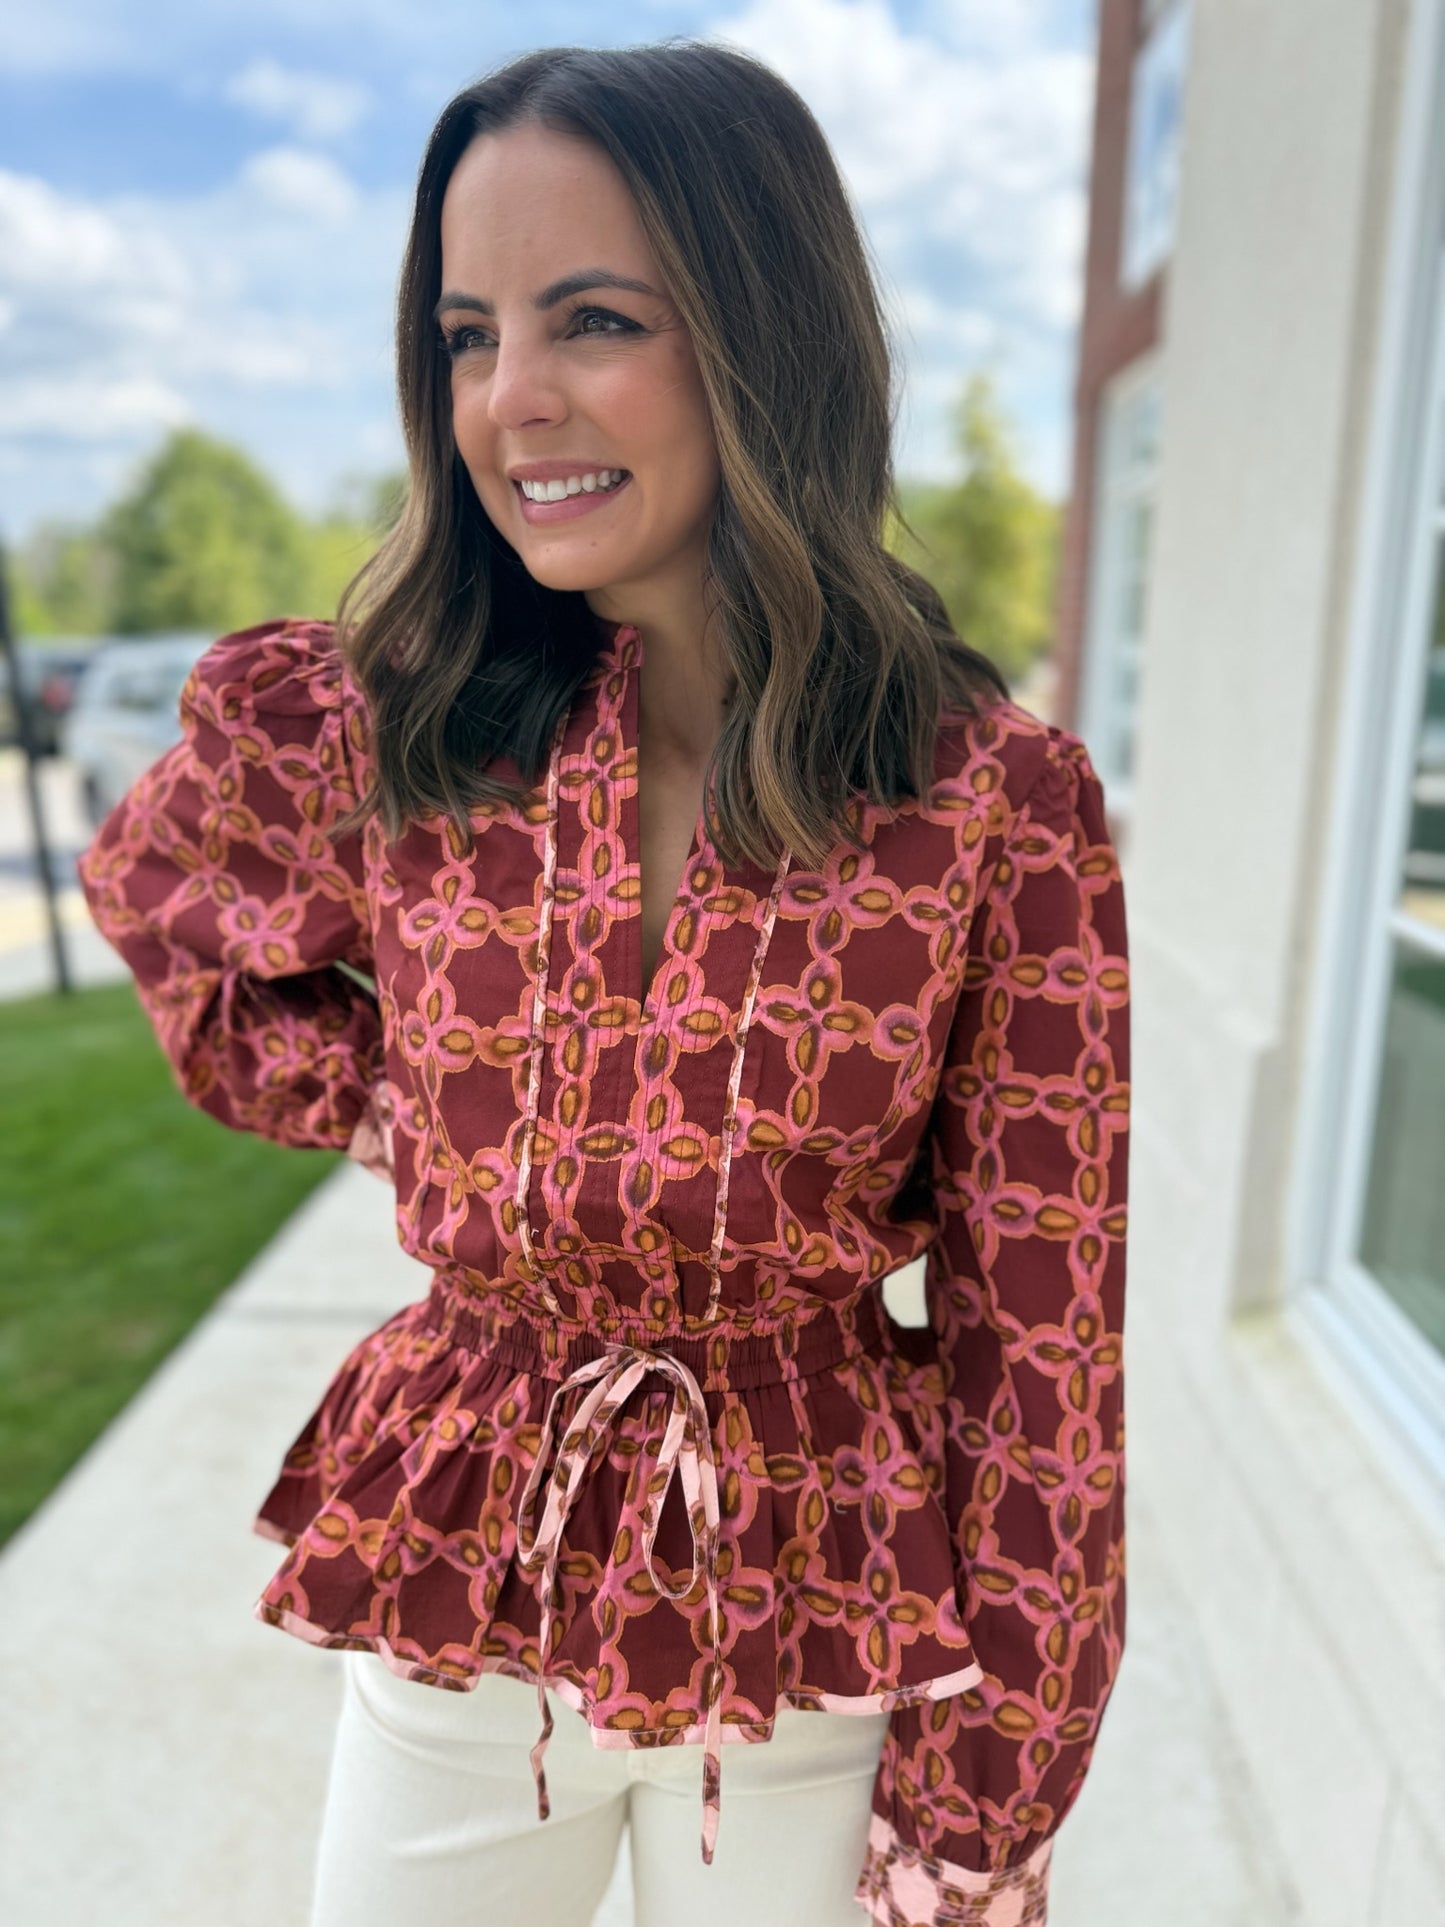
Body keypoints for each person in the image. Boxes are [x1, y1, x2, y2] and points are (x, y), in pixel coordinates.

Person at [76, 39, 1131, 1927]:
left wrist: (990, 1802)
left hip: (820, 1621)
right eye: (470, 334)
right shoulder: (381, 723)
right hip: (464, 1592)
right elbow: (166, 910)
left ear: (762, 333)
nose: (514, 401)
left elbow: (1039, 1341)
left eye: (595, 319)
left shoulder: (992, 808)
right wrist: (410, 1100)